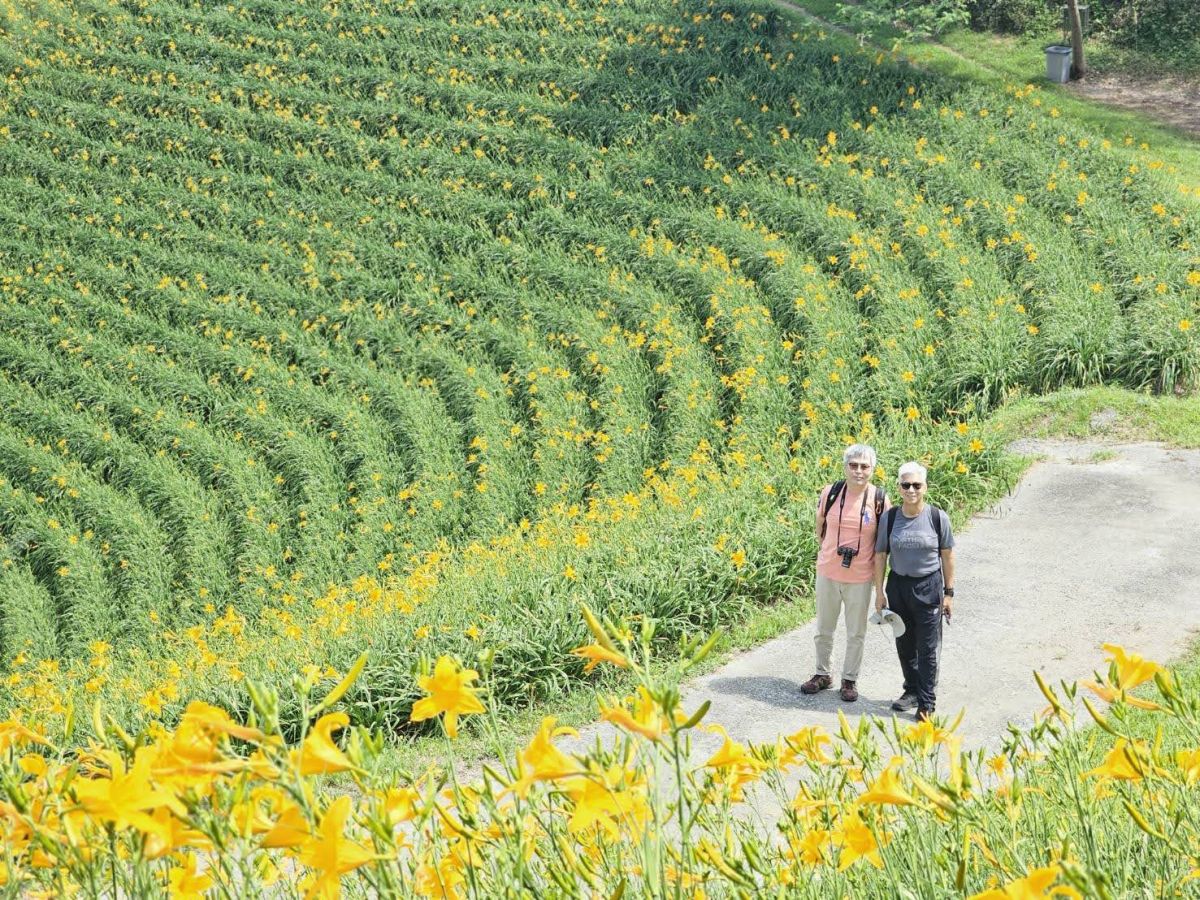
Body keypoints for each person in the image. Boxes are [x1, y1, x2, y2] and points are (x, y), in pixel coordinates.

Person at [801, 444, 889, 703]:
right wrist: (828, 553)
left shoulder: (879, 499)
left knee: (856, 633)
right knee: (823, 628)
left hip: (860, 578)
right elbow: (820, 527)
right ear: (845, 466)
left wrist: (879, 585)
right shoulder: (831, 492)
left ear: (872, 470)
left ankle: (849, 679)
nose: (858, 471)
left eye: (864, 466)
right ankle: (821, 674)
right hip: (828, 572)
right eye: (853, 465)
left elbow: (882, 546)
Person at [873, 461, 956, 722]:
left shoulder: (936, 517)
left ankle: (926, 702)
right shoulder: (890, 517)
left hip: (928, 585)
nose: (911, 490)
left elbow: (947, 555)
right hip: (898, 585)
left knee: (927, 647)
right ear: (898, 488)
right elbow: (880, 555)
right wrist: (879, 593)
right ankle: (910, 690)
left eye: (916, 485)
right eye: (906, 485)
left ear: (925, 487)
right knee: (904, 642)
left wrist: (949, 592)